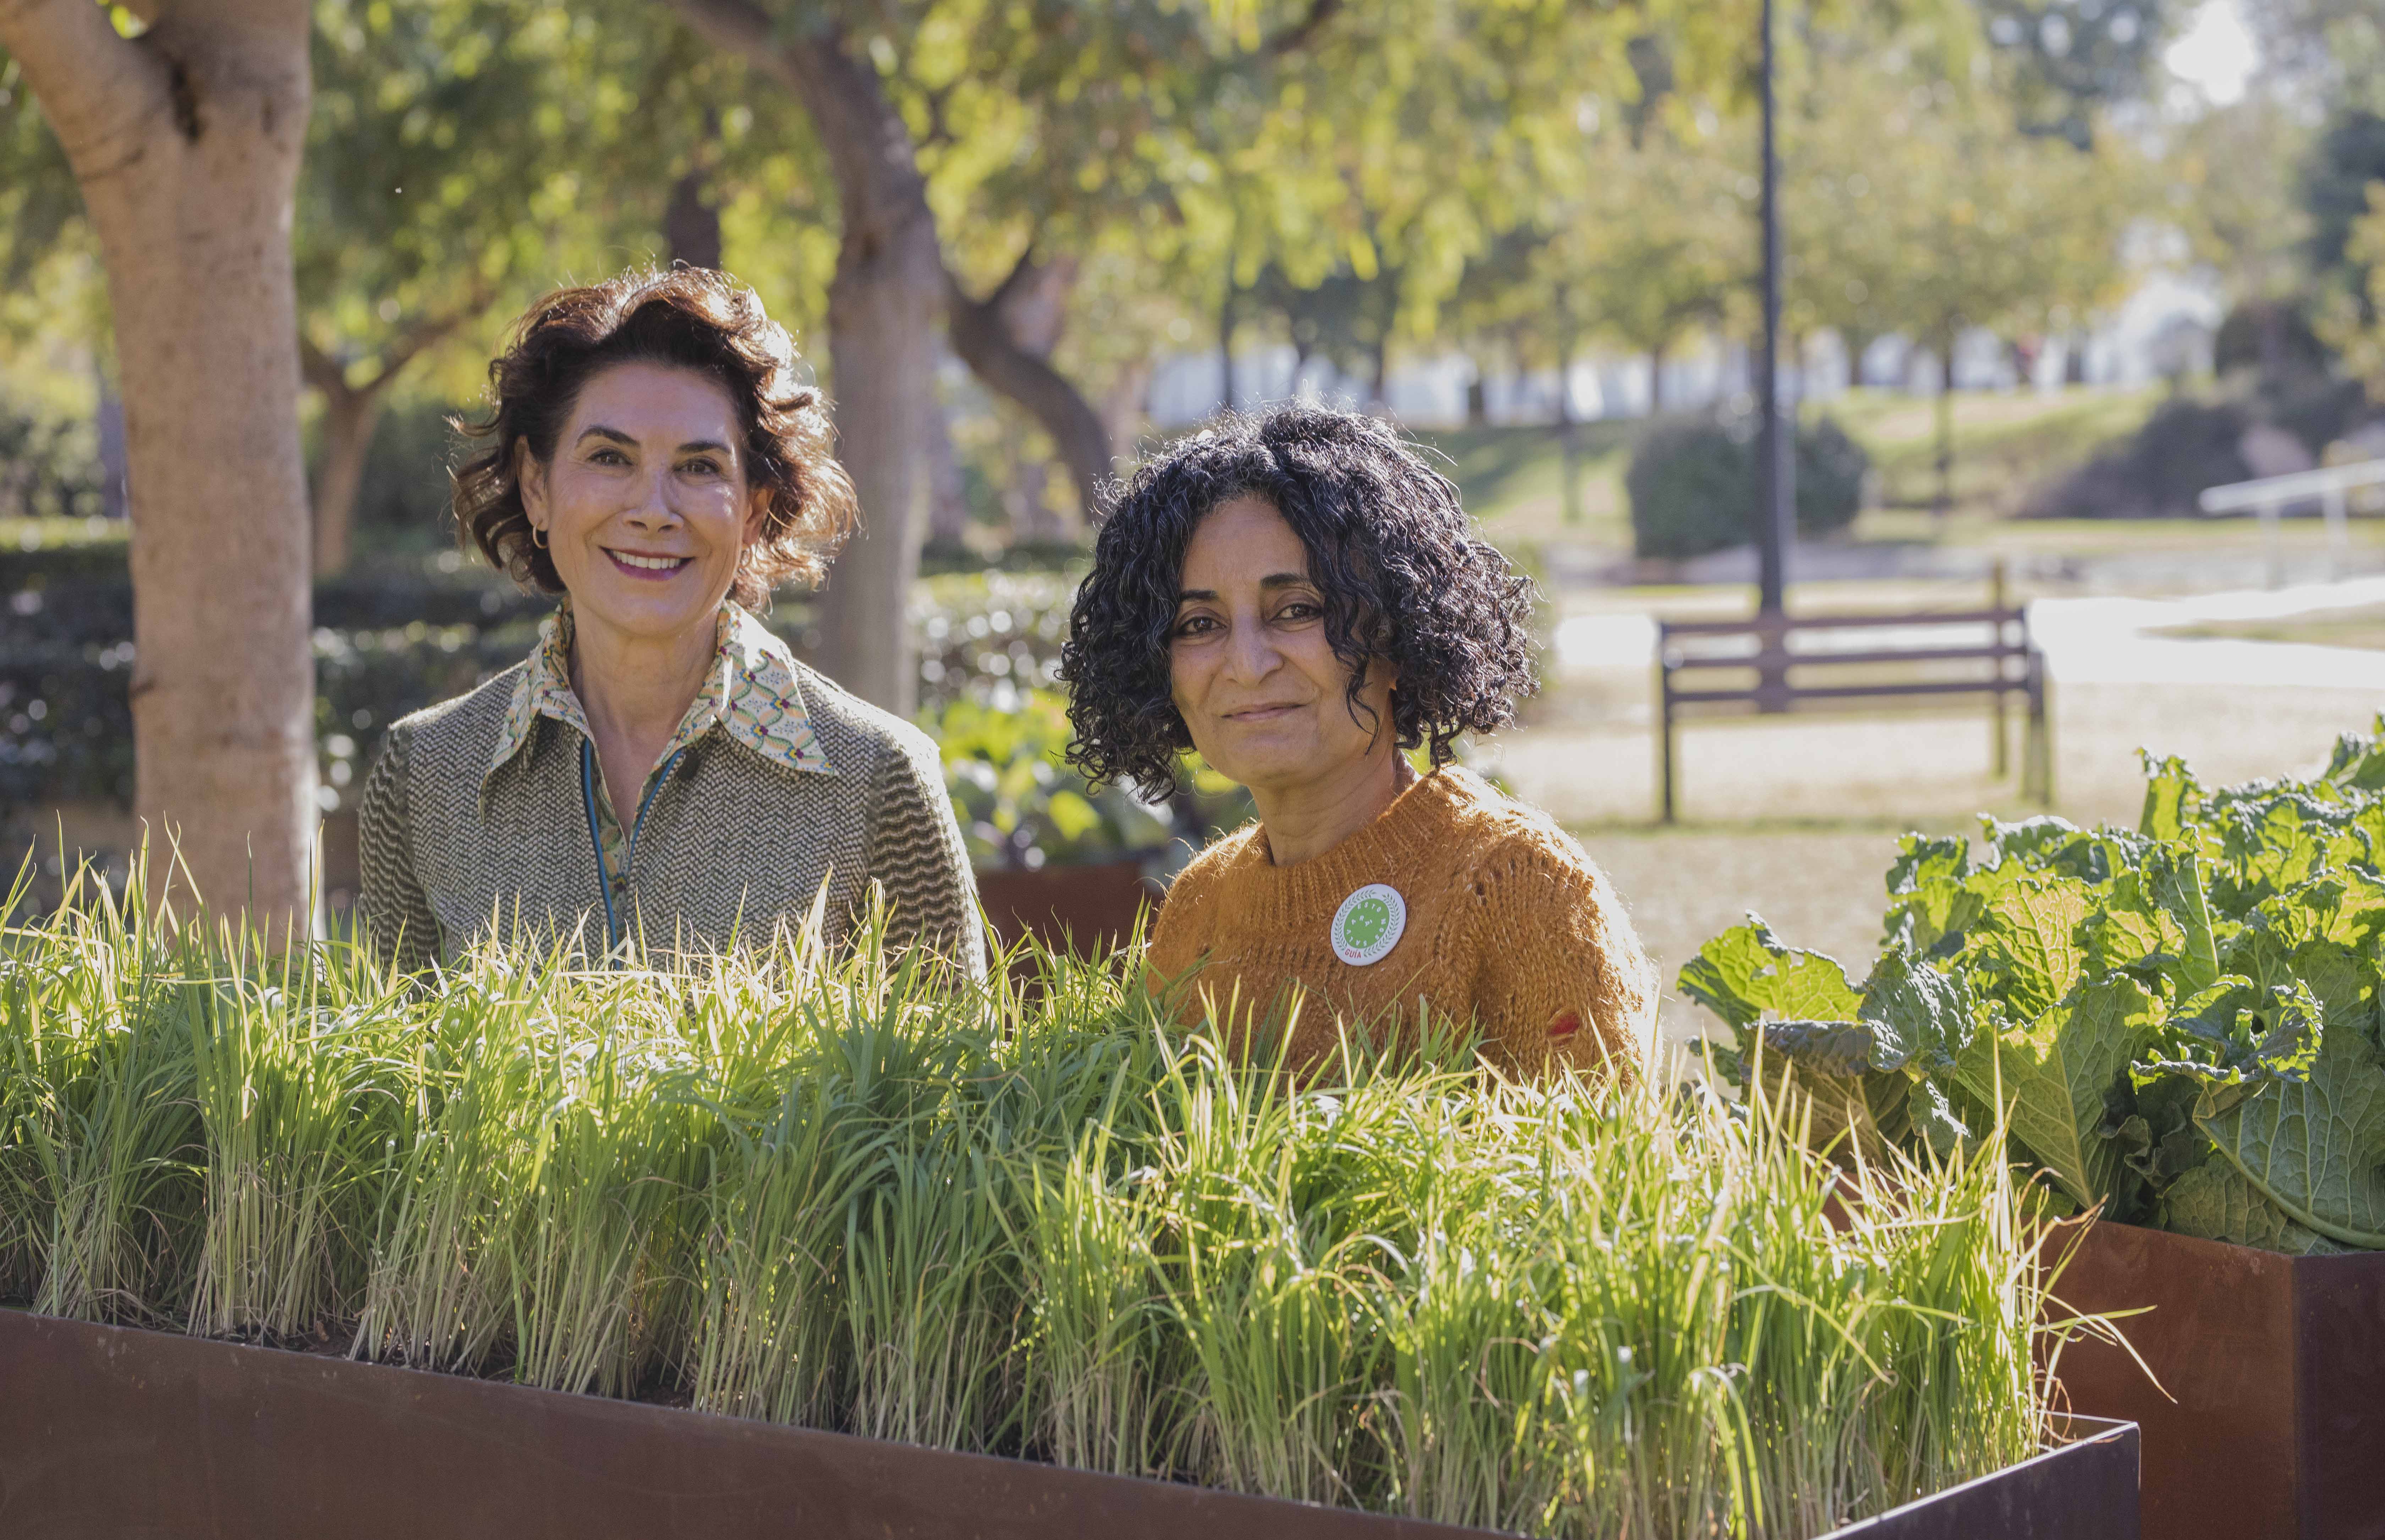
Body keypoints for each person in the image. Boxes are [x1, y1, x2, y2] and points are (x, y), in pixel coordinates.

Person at [358, 266, 982, 976]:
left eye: (699, 467)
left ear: (752, 507)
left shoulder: (878, 778)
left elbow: (955, 1084)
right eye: (609, 457)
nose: (653, 509)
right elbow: (397, 1082)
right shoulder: (424, 774)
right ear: (537, 488)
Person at [1060, 403, 1654, 1078]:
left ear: (1399, 635)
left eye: (1298, 611)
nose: (1247, 664)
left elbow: (1600, 1171)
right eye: (1199, 623)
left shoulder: (1516, 887)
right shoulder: (1197, 910)